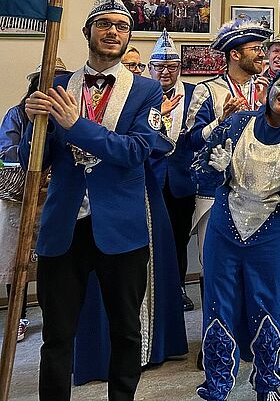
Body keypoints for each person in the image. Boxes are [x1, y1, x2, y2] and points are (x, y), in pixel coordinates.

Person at [18, 0, 164, 401]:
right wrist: (32, 126)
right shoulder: (56, 83)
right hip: (63, 228)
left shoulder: (147, 91)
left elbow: (137, 150)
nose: (113, 31)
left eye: (122, 26)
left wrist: (75, 125)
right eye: (104, 24)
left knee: (125, 330)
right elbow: (37, 161)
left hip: (122, 228)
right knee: (58, 335)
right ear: (87, 31)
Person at [194, 63, 280, 401]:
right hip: (225, 228)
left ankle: (267, 384)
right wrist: (213, 166)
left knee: (269, 305)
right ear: (268, 90)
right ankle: (217, 386)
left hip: (274, 233)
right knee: (217, 304)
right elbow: (202, 175)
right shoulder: (237, 123)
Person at [72, 34, 189, 386]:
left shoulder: (150, 96)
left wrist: (161, 126)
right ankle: (98, 352)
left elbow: (151, 144)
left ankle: (148, 347)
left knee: (142, 271)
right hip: (87, 196)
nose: (136, 70)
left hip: (139, 191)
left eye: (140, 66)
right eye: (137, 64)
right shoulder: (77, 89)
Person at [184, 18, 271, 366]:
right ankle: (215, 342)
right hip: (216, 192)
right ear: (235, 54)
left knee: (251, 271)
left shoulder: (267, 89)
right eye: (255, 50)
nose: (261, 55)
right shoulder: (207, 91)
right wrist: (221, 121)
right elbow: (189, 140)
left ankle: (248, 339)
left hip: (258, 194)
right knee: (216, 271)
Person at [0, 59, 69, 343]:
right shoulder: (17, 114)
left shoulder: (66, 113)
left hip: (51, 199)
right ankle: (18, 316)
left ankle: (52, 314)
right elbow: (8, 151)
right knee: (17, 262)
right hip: (20, 198)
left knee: (49, 261)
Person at [146, 30, 197, 311]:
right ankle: (151, 291)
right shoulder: (141, 95)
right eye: (160, 67)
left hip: (182, 180)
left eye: (172, 67)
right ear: (150, 68)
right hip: (150, 179)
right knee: (150, 238)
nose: (166, 72)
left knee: (178, 238)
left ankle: (177, 287)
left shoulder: (192, 92)